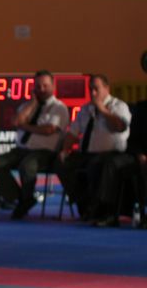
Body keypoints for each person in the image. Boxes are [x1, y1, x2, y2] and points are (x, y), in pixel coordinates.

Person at [0, 70, 70, 220]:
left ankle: (25, 200)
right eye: (38, 86)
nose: (41, 89)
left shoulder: (59, 108)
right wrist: (33, 103)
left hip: (45, 152)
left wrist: (25, 126)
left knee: (27, 165)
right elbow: (15, 121)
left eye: (45, 86)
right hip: (22, 149)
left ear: (53, 87)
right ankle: (20, 199)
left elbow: (49, 130)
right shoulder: (27, 106)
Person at [56, 74, 131, 222]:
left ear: (107, 88)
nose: (93, 93)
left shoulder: (119, 106)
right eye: (90, 89)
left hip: (111, 153)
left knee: (95, 165)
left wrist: (102, 109)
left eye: (96, 89)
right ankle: (83, 203)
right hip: (86, 153)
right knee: (61, 164)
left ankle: (99, 208)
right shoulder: (85, 109)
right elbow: (73, 133)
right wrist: (64, 150)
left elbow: (119, 126)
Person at [87, 100, 147, 227]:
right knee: (111, 163)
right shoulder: (142, 108)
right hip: (138, 155)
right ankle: (109, 212)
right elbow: (133, 139)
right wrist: (140, 154)